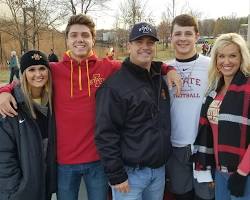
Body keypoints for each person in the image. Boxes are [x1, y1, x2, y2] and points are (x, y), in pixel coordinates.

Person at [0, 14, 181, 200]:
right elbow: (26, 80)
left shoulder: (108, 67)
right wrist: (4, 91)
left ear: (93, 39)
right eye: (74, 35)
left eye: (85, 35)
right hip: (64, 163)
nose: (80, 39)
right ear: (67, 40)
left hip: (97, 162)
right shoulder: (54, 70)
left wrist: (169, 69)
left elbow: (141, 64)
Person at [95, 22, 172, 200]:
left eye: (150, 43)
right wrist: (116, 175)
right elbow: (105, 134)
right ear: (129, 46)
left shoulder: (158, 78)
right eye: (139, 42)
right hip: (130, 175)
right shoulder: (114, 86)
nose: (145, 47)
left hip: (158, 171)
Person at [193, 33, 250, 200]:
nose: (226, 61)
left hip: (244, 173)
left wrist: (241, 173)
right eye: (221, 56)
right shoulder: (214, 89)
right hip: (220, 171)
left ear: (242, 58)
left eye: (232, 55)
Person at [165, 14, 214, 200]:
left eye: (188, 33)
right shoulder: (164, 68)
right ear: (171, 37)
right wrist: (166, 69)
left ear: (197, 36)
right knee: (181, 195)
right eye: (178, 34)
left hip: (204, 146)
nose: (183, 38)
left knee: (206, 196)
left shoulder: (210, 66)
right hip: (175, 146)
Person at [0, 50, 57, 200]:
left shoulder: (53, 101)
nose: (38, 74)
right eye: (31, 69)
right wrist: (15, 189)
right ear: (23, 73)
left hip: (45, 183)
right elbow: (4, 154)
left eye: (42, 68)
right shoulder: (11, 104)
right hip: (22, 190)